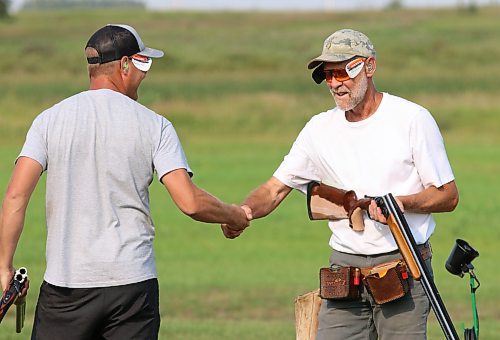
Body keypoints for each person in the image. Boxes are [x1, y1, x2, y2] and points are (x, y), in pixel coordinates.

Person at [0, 24, 250, 340]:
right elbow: (189, 202)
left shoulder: (48, 120)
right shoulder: (156, 125)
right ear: (125, 65)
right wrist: (233, 215)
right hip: (132, 287)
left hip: (66, 287)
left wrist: (4, 265)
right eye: (142, 64)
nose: (144, 75)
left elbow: (14, 198)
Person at [222, 28, 459, 339]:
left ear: (369, 67)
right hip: (344, 275)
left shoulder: (412, 119)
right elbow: (274, 189)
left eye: (342, 72)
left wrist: (401, 204)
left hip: (404, 267)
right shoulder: (318, 129)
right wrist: (243, 212)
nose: (334, 83)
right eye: (328, 75)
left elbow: (448, 196)